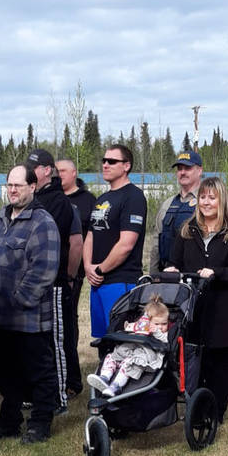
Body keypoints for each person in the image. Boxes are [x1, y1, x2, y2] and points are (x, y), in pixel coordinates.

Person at [166, 174, 228, 419]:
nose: (206, 202)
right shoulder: (188, 229)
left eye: (212, 197)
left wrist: (215, 273)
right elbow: (174, 261)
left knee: (220, 362)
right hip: (195, 307)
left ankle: (217, 411)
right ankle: (198, 407)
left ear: (221, 200)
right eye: (203, 197)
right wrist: (172, 269)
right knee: (198, 359)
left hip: (225, 308)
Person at [0, 165, 63, 444]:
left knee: (39, 373)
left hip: (29, 318)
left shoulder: (43, 222)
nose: (13, 190)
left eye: (18, 185)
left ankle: (40, 423)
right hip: (1, 317)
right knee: (5, 374)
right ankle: (9, 422)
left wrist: (18, 300)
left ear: (33, 187)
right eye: (9, 185)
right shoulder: (0, 220)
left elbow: (44, 270)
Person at [26, 149, 82, 400]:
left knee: (57, 339)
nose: (29, 171)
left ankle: (60, 394)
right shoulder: (31, 198)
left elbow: (63, 242)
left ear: (47, 171)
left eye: (33, 167)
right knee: (36, 341)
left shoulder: (58, 202)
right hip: (32, 283)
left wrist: (69, 278)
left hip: (54, 282)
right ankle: (38, 389)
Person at [84, 143, 148, 340]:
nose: (105, 165)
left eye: (111, 161)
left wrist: (100, 269)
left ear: (126, 165)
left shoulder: (134, 197)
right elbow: (91, 235)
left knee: (121, 340)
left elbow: (126, 244)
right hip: (98, 283)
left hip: (121, 282)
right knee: (102, 340)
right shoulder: (102, 198)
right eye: (103, 161)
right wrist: (88, 266)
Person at [55, 156, 97, 393]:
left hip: (76, 272)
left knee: (68, 322)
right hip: (54, 271)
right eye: (55, 171)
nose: (58, 175)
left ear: (74, 173)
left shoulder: (88, 200)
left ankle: (72, 380)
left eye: (62, 171)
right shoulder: (52, 199)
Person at [87, 296, 174, 394]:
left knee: (129, 363)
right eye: (157, 324)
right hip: (130, 350)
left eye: (164, 324)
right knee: (111, 357)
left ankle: (116, 386)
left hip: (145, 358)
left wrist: (156, 333)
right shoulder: (143, 326)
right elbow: (131, 327)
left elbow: (166, 340)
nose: (160, 327)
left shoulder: (165, 334)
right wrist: (131, 328)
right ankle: (104, 377)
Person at [153, 148, 203, 273]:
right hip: (168, 275)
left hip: (195, 276)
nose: (182, 172)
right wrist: (153, 277)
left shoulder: (208, 203)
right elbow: (156, 244)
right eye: (179, 169)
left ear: (199, 171)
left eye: (188, 168)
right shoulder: (167, 204)